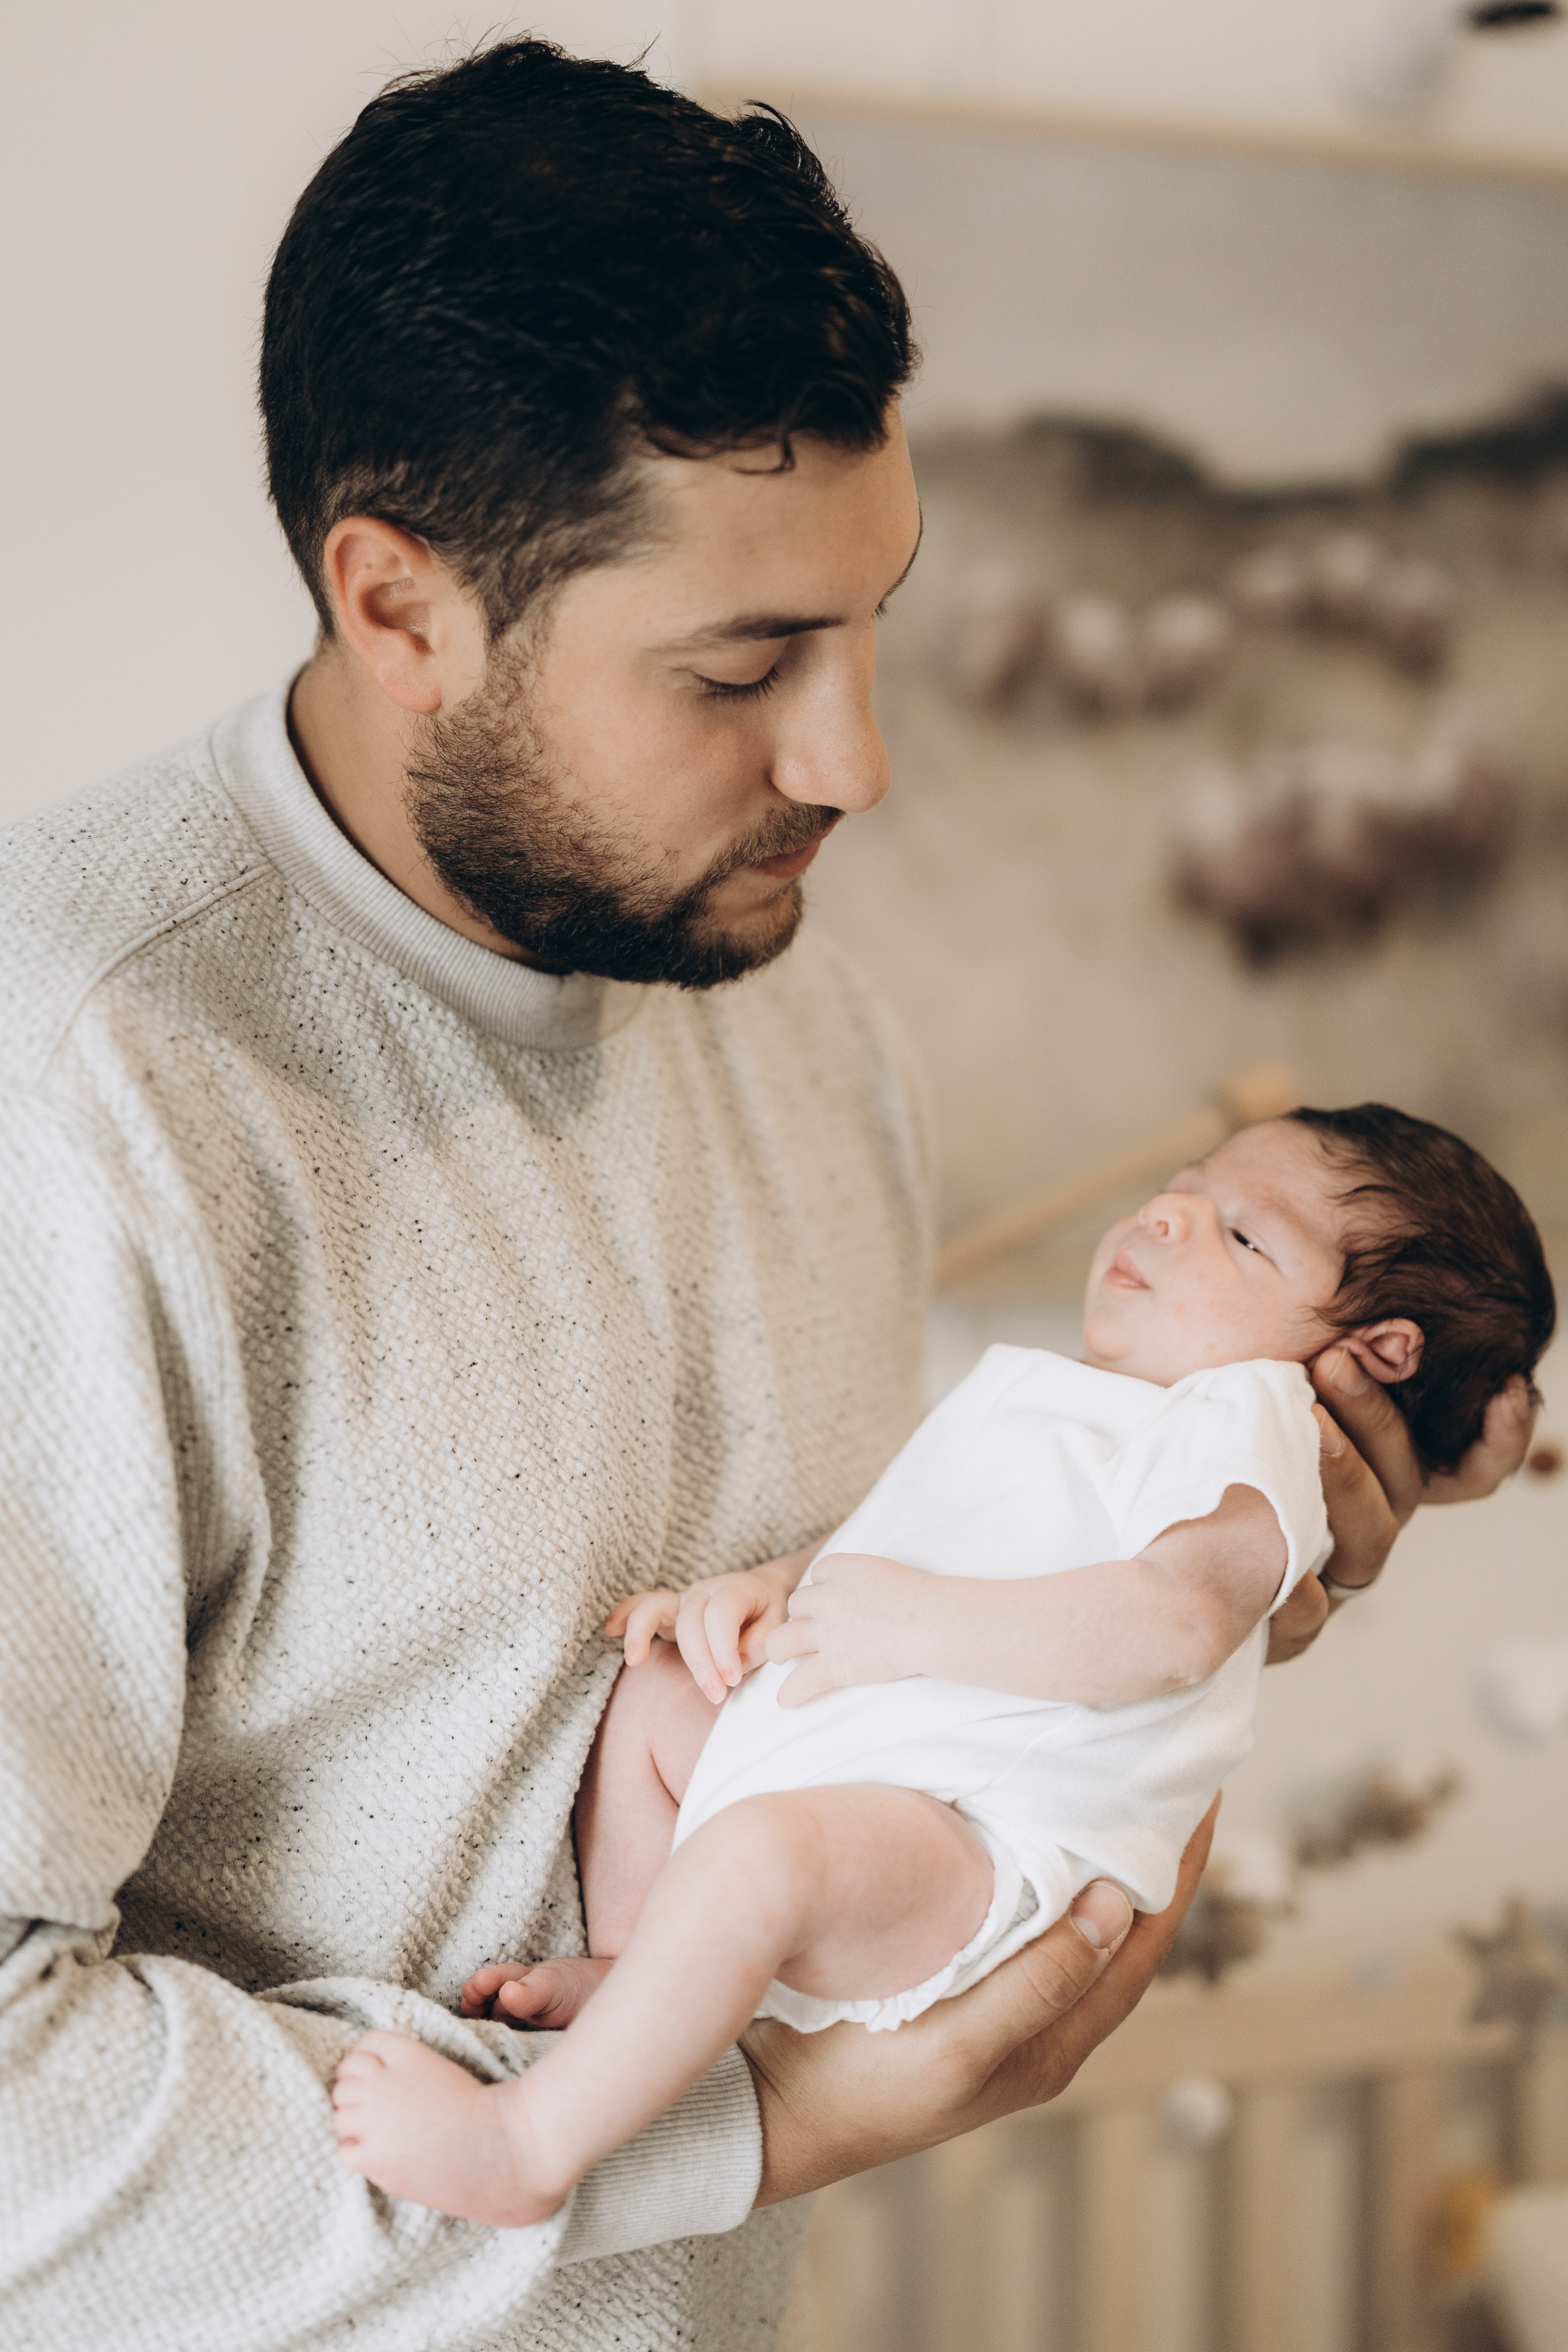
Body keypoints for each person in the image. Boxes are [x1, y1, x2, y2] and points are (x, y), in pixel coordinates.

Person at [0, 37, 1534, 2352]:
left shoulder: (800, 1015)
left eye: (876, 615)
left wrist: (1219, 1574)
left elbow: (886, 1672)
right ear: (400, 609)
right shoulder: (70, 1096)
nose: (857, 759)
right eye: (744, 667)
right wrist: (750, 2128)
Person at [327, 1103, 1553, 2225]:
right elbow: (913, 1537)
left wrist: (907, 1627)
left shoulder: (1251, 1415)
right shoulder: (1074, 1406)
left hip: (973, 1844)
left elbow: (1176, 1626)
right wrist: (775, 1590)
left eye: (1243, 1236)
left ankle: (529, 2144)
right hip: (869, 1763)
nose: (1168, 1217)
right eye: (1182, 1189)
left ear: (1373, 1353)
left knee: (762, 1857)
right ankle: (642, 1979)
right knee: (660, 1695)